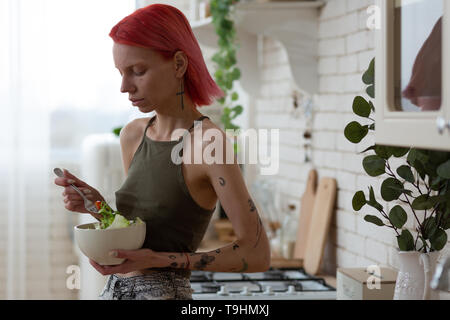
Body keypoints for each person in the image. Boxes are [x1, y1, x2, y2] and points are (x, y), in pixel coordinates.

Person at [54, 4, 270, 300]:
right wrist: (99, 208)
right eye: (121, 73)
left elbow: (256, 253)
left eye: (137, 71)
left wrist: (161, 261)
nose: (124, 86)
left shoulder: (208, 143)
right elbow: (146, 232)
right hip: (114, 291)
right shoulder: (133, 135)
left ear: (179, 64)